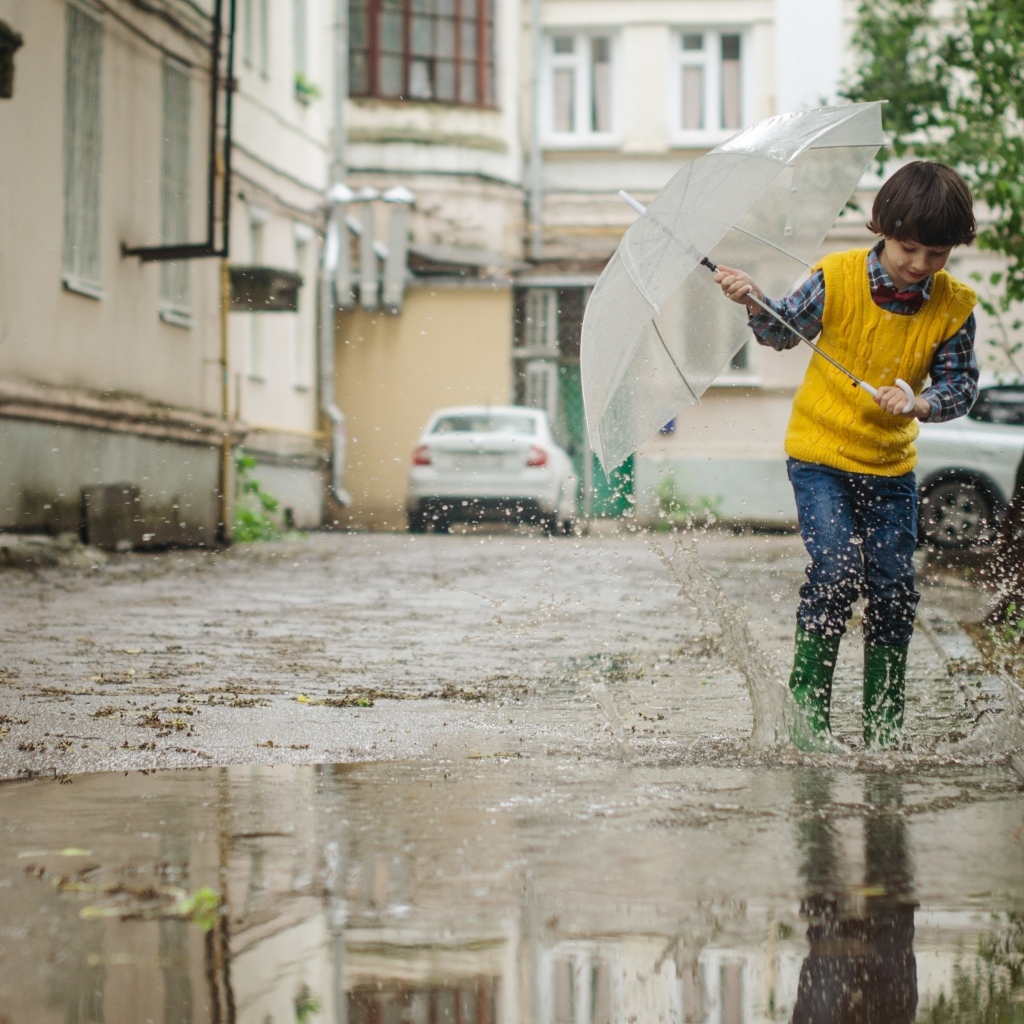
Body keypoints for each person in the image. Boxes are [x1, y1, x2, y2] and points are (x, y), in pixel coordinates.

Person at [714, 161, 978, 749]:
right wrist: (754, 300)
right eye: (909, 248)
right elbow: (781, 331)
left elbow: (961, 386)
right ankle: (807, 725)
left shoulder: (953, 306)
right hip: (821, 457)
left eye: (937, 254)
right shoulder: (836, 278)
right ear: (883, 230)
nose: (920, 265)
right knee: (835, 574)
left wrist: (922, 403)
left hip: (890, 466)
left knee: (893, 589)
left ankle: (884, 731)